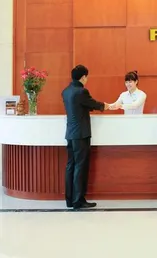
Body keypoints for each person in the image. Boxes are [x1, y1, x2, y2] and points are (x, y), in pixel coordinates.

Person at [62, 65, 109, 210]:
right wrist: (106, 106)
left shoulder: (66, 91)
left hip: (70, 134)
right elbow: (92, 103)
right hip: (81, 134)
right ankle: (78, 201)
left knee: (70, 166)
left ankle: (70, 200)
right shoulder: (81, 91)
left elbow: (82, 106)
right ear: (83, 77)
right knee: (80, 167)